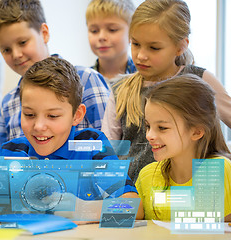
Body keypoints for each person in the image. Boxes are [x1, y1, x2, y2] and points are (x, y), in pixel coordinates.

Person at [0, 57, 144, 221]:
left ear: (77, 115)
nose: (38, 126)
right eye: (29, 114)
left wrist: (86, 210)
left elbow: (133, 207)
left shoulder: (91, 146)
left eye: (52, 116)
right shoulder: (10, 152)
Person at [101, 0, 231, 182]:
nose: (140, 55)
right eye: (135, 44)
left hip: (191, 194)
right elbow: (107, 152)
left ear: (180, 46)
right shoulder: (120, 90)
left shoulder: (200, 80)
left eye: (154, 47)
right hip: (135, 196)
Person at [0, 0, 110, 148]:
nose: (16, 54)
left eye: (22, 42)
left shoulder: (86, 80)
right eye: (6, 50)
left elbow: (110, 146)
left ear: (44, 33)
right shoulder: (8, 104)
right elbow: (5, 163)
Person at [136, 74, 231, 221]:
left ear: (197, 132)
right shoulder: (147, 175)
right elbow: (120, 218)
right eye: (148, 126)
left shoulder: (216, 169)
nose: (149, 135)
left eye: (162, 127)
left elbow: (202, 228)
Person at [86, 0, 136, 86]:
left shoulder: (146, 79)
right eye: (94, 31)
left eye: (112, 29)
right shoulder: (82, 80)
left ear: (132, 32)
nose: (101, 37)